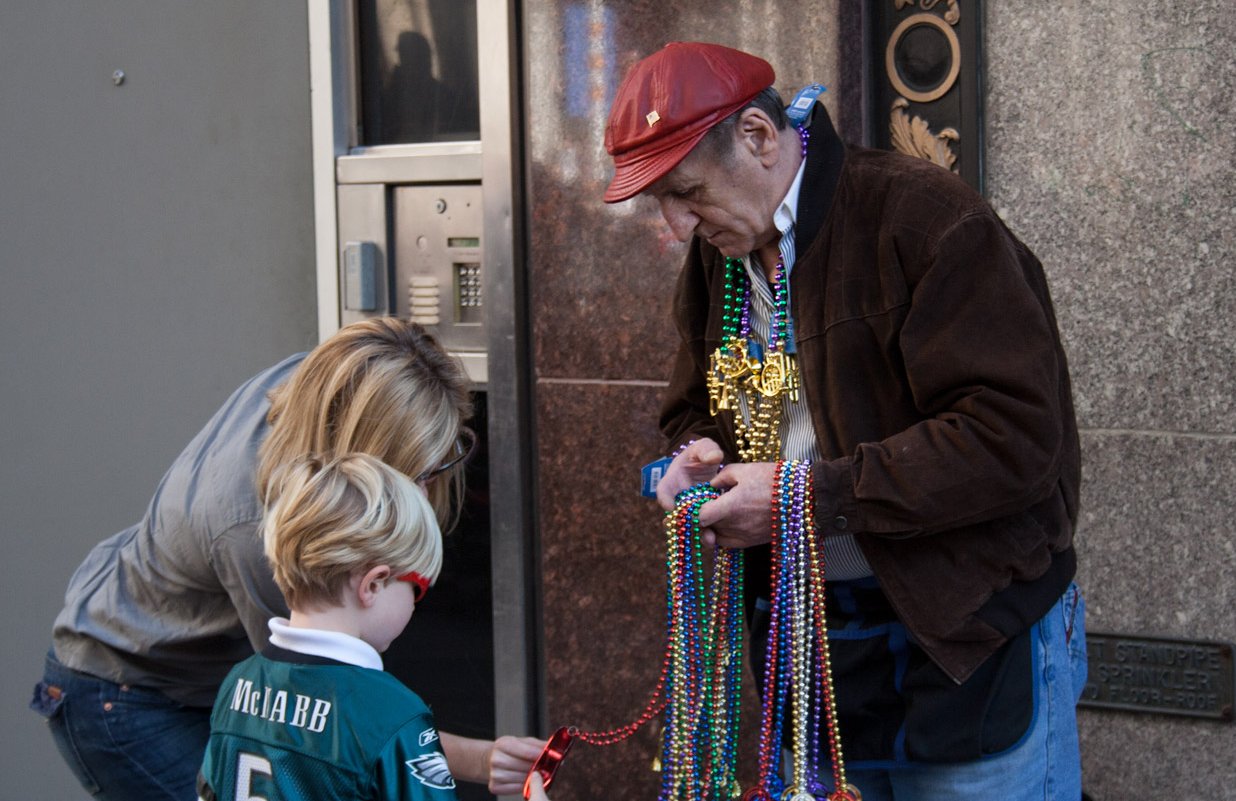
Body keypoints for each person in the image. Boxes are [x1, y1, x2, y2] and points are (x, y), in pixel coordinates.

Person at [604, 42, 1086, 799]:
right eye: (660, 200)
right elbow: (693, 405)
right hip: (813, 643)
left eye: (685, 191)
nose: (675, 223)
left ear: (760, 138)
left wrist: (806, 496)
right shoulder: (721, 253)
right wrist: (693, 457)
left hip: (964, 634)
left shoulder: (926, 220)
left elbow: (1012, 438)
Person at [32, 317, 543, 800]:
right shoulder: (259, 535)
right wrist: (478, 759)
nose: (431, 488)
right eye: (420, 474)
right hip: (124, 690)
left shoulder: (329, 381)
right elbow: (319, 716)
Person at [197, 452, 548, 801]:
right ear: (374, 585)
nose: (415, 603)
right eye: (417, 589)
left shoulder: (238, 684)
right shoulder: (394, 714)